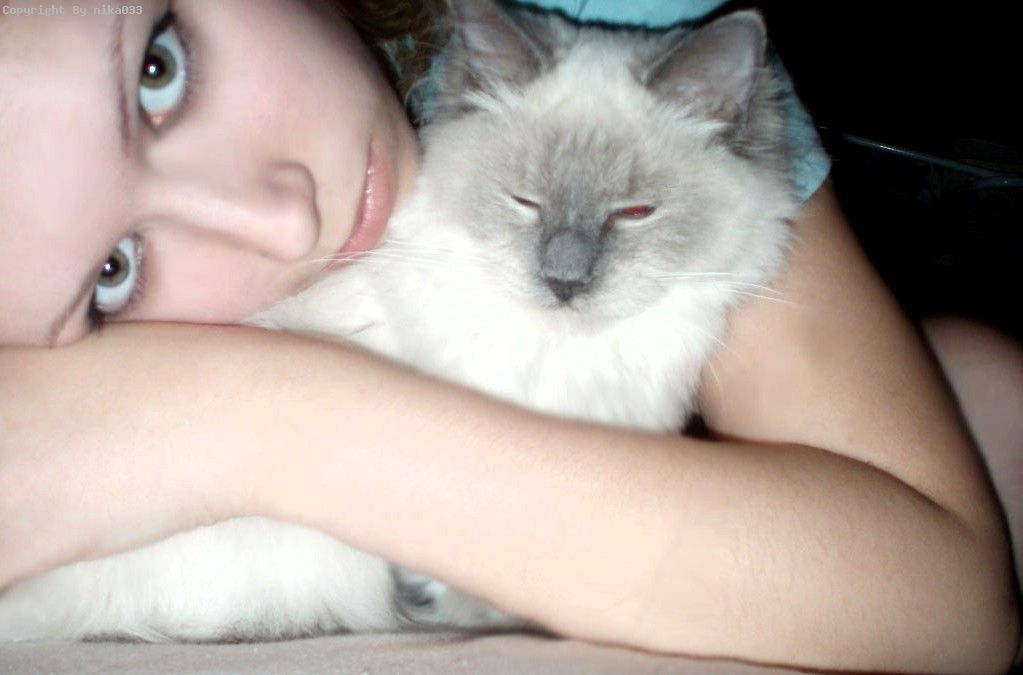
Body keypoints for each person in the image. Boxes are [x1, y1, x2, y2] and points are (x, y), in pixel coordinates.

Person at [0, 0, 1019, 671]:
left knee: (988, 386)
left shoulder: (621, 22)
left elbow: (942, 603)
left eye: (159, 67)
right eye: (111, 274)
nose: (283, 217)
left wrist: (234, 423)